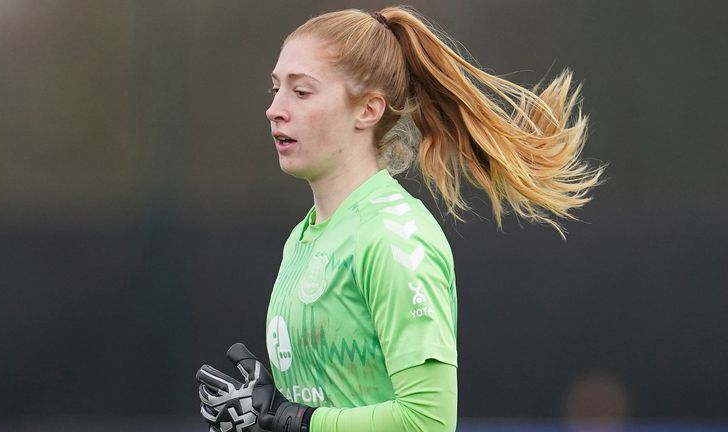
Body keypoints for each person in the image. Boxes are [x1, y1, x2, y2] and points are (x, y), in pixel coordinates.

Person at [196, 6, 603, 432]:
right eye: (276, 89)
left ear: (369, 110)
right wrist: (265, 416)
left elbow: (427, 420)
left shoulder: (393, 236)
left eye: (301, 92)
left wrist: (293, 419)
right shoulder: (303, 238)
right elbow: (323, 410)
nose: (275, 109)